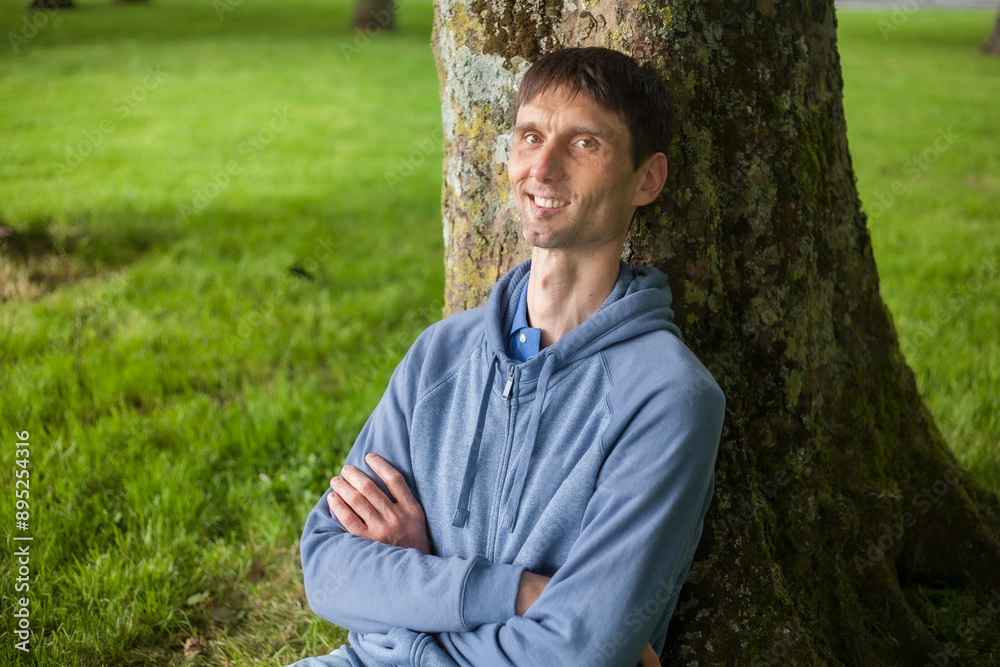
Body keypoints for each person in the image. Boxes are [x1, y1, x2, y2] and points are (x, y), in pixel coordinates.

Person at [289, 47, 726, 667]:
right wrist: (518, 592)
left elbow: (577, 650)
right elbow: (328, 568)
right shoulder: (441, 353)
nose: (542, 168)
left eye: (584, 144)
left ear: (647, 179)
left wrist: (414, 584)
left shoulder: (668, 397)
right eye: (530, 137)